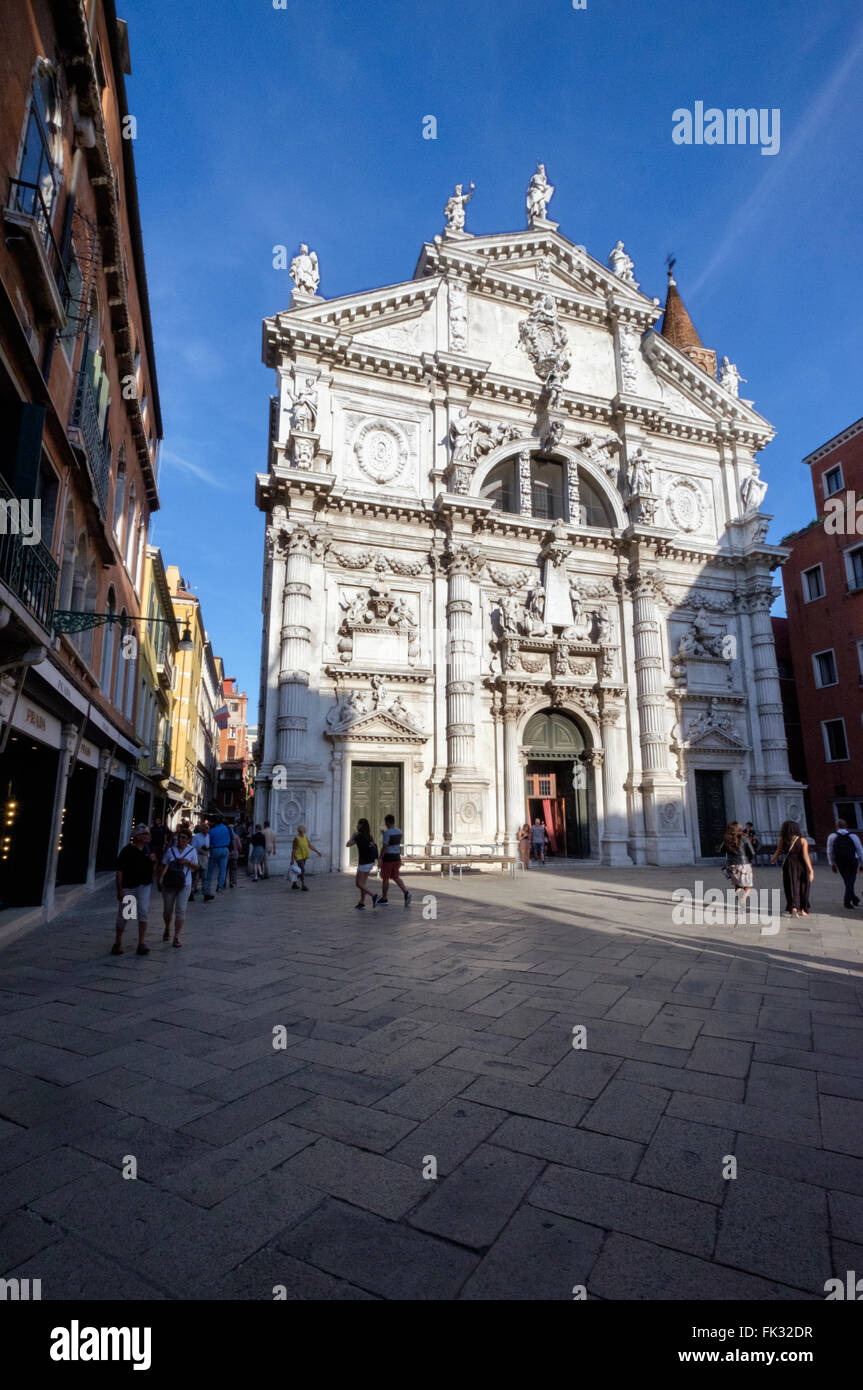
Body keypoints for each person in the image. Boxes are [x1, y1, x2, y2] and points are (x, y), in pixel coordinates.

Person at [112, 824, 157, 956]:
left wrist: (153, 862)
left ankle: (141, 943)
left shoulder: (148, 850)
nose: (148, 836)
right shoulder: (127, 851)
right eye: (145, 834)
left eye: (148, 833)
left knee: (143, 911)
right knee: (126, 914)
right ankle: (118, 942)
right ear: (137, 836)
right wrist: (119, 889)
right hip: (130, 887)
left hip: (144, 886)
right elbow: (120, 871)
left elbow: (153, 871)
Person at [158, 825, 197, 947]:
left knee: (181, 910)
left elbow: (196, 867)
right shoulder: (171, 850)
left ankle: (176, 936)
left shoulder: (192, 851)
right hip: (169, 884)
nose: (180, 840)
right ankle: (167, 927)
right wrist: (160, 879)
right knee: (167, 910)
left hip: (185, 883)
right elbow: (163, 865)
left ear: (188, 839)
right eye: (179, 837)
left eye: (183, 837)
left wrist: (188, 862)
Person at [771, 820, 814, 917]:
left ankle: (793, 907)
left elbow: (778, 851)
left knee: (791, 885)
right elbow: (805, 856)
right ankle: (803, 909)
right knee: (804, 886)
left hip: (789, 865)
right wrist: (811, 869)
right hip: (802, 865)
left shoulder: (783, 839)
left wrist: (773, 858)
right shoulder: (803, 840)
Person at [826, 819, 863, 909]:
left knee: (847, 881)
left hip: (840, 861)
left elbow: (829, 851)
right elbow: (860, 851)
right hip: (852, 860)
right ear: (846, 826)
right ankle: (847, 901)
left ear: (836, 827)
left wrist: (832, 864)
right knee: (850, 881)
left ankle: (854, 899)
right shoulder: (853, 836)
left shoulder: (832, 836)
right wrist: (862, 864)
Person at [377, 814, 411, 907]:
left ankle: (384, 898)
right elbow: (394, 841)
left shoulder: (387, 833)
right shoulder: (399, 831)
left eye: (385, 822)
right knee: (395, 877)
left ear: (387, 822)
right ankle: (406, 892)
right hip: (397, 857)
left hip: (388, 858)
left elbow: (385, 846)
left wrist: (380, 858)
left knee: (385, 878)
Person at [723, 821, 755, 912]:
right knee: (748, 885)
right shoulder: (744, 838)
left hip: (732, 866)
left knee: (738, 886)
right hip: (744, 864)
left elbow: (720, 850)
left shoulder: (727, 839)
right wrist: (750, 860)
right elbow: (752, 853)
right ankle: (743, 899)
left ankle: (742, 906)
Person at [347, 817, 378, 910]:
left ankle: (373, 896)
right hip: (370, 862)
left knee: (358, 884)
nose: (357, 825)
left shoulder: (358, 836)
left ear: (361, 826)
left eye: (358, 824)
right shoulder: (370, 836)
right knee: (363, 884)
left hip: (363, 863)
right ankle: (362, 902)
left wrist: (352, 836)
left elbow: (348, 844)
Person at [204, 814, 231, 899]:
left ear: (214, 822)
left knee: (210, 870)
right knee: (223, 869)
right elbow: (232, 837)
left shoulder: (212, 831)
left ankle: (207, 889)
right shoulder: (227, 828)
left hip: (215, 849)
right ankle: (220, 886)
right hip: (225, 849)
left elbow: (208, 842)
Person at [290, 823, 321, 890]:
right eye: (304, 829)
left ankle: (294, 884)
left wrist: (317, 851)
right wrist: (292, 860)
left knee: (300, 871)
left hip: (304, 855)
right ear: (301, 830)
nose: (305, 830)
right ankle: (303, 885)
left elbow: (309, 845)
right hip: (298, 856)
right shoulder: (296, 838)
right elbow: (293, 849)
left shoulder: (305, 837)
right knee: (303, 870)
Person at [190, 822, 209, 900]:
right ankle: (191, 893)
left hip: (204, 857)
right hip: (197, 856)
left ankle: (205, 894)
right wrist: (200, 849)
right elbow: (192, 847)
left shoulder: (208, 836)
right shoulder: (196, 837)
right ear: (201, 829)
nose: (206, 830)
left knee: (204, 876)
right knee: (194, 876)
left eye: (207, 828)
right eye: (205, 828)